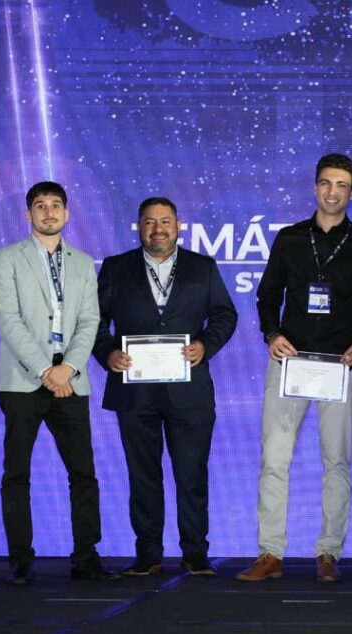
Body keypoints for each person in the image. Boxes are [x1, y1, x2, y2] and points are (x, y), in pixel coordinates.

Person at [237, 154, 352, 583]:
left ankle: (328, 553)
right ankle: (270, 553)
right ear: (315, 187)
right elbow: (267, 296)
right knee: (274, 459)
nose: (332, 192)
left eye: (341, 185)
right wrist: (271, 335)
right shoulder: (290, 239)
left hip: (341, 365)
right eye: (325, 183)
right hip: (291, 361)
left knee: (336, 461)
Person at [93, 196, 237, 577]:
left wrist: (205, 345)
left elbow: (225, 314)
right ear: (139, 227)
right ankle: (148, 554)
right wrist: (107, 353)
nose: (158, 229)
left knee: (192, 476)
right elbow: (94, 320)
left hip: (188, 390)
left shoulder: (202, 267)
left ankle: (195, 554)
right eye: (150, 222)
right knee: (143, 478)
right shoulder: (116, 268)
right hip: (134, 390)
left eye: (165, 221)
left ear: (178, 226)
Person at [0, 181, 118, 584]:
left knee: (83, 474)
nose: (49, 212)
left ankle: (86, 558)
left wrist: (69, 368)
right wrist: (47, 371)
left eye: (56, 205)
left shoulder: (82, 262)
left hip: (71, 382)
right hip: (23, 381)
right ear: (28, 214)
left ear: (67, 214)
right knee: (17, 473)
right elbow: (8, 320)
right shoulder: (7, 259)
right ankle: (21, 561)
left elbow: (90, 320)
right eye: (40, 206)